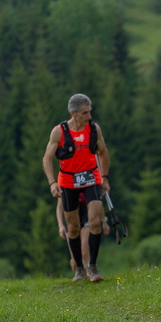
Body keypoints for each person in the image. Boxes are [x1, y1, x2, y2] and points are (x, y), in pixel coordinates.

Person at [43, 93, 110, 282]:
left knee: (94, 221)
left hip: (91, 178)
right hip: (68, 182)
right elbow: (47, 158)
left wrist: (104, 177)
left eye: (90, 112)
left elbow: (104, 153)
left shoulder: (94, 129)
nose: (89, 116)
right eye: (85, 113)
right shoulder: (59, 132)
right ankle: (79, 268)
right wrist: (52, 182)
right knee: (73, 227)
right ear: (73, 113)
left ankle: (93, 267)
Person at [56, 195, 110, 274]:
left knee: (84, 253)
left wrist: (104, 221)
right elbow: (59, 207)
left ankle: (88, 273)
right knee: (74, 259)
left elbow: (97, 203)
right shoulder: (65, 189)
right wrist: (60, 225)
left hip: (85, 215)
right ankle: (79, 273)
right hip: (70, 219)